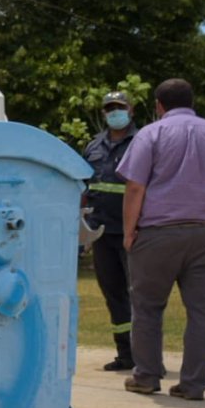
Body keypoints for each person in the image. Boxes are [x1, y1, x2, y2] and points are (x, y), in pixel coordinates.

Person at [117, 78, 205, 401]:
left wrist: (129, 231)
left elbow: (135, 188)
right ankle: (193, 383)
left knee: (147, 307)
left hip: (157, 234)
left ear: (159, 105)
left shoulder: (150, 134)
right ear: (192, 102)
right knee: (202, 311)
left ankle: (147, 376)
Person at [82, 91, 139, 372]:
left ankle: (146, 355)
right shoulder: (94, 146)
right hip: (101, 233)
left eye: (120, 107)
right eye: (110, 108)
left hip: (133, 232)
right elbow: (83, 188)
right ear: (104, 113)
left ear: (131, 110)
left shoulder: (143, 143)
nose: (115, 112)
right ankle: (125, 355)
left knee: (140, 295)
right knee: (113, 294)